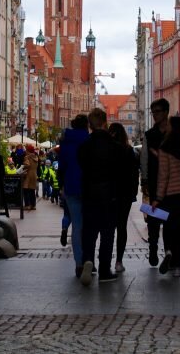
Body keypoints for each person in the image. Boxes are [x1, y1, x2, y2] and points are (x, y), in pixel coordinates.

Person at [77, 108, 130, 285]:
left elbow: (82, 167)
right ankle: (105, 269)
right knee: (108, 233)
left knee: (89, 231)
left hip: (90, 193)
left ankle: (87, 261)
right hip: (110, 194)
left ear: (90, 126)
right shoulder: (116, 148)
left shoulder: (84, 147)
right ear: (105, 123)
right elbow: (122, 174)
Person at [152, 115, 180, 277]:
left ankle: (168, 251)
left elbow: (164, 176)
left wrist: (157, 198)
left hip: (169, 195)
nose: (167, 127)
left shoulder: (165, 148)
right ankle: (177, 266)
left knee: (168, 227)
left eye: (169, 125)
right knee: (179, 229)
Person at [139, 98, 172, 266]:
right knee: (153, 219)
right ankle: (153, 250)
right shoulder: (149, 135)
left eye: (157, 112)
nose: (154, 115)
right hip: (153, 182)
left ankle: (167, 251)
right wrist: (144, 180)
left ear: (166, 112)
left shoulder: (174, 134)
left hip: (172, 185)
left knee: (168, 221)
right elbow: (144, 158)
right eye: (153, 112)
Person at [57, 114, 90, 278]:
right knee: (89, 226)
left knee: (76, 226)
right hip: (89, 187)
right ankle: (88, 260)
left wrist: (61, 184)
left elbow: (61, 166)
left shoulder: (65, 142)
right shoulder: (89, 140)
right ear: (86, 126)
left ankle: (78, 263)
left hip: (70, 186)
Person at [109, 121, 139, 273]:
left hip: (109, 193)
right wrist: (133, 193)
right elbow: (134, 174)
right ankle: (119, 261)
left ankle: (105, 260)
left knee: (107, 228)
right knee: (122, 227)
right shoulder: (129, 151)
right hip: (125, 194)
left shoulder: (107, 150)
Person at [22, 143, 39, 209]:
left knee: (26, 190)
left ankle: (27, 205)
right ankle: (33, 205)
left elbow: (27, 165)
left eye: (26, 150)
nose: (25, 151)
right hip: (34, 174)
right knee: (32, 190)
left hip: (28, 175)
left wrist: (23, 167)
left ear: (28, 151)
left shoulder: (27, 157)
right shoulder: (36, 157)